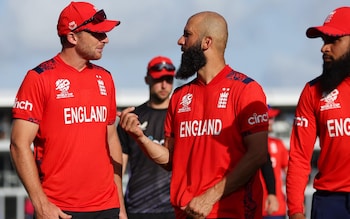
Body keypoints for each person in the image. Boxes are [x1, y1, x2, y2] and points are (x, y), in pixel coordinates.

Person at [119, 11, 269, 219]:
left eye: (187, 35)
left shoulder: (245, 90)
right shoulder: (180, 96)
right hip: (185, 213)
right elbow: (171, 159)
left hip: (230, 212)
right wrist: (140, 138)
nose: (180, 41)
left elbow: (258, 154)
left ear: (206, 42)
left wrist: (209, 198)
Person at [10, 2, 126, 219]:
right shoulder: (39, 78)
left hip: (107, 207)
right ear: (72, 37)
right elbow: (18, 144)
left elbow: (111, 139)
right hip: (59, 210)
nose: (106, 40)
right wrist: (41, 205)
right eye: (98, 34)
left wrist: (119, 205)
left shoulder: (106, 78)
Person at [286, 6, 350, 219]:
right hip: (329, 202)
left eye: (334, 39)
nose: (324, 48)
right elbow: (299, 157)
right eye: (324, 40)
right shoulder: (313, 91)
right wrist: (295, 211)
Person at [117, 56, 176, 219]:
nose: (164, 85)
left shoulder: (181, 116)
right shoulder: (132, 118)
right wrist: (119, 209)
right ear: (147, 79)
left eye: (168, 79)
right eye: (159, 79)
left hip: (175, 207)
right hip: (138, 207)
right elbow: (117, 168)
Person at [261, 106, 288, 219]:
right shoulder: (248, 145)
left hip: (276, 206)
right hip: (254, 206)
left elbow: (290, 172)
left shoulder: (278, 144)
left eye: (272, 118)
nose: (272, 121)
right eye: (269, 118)